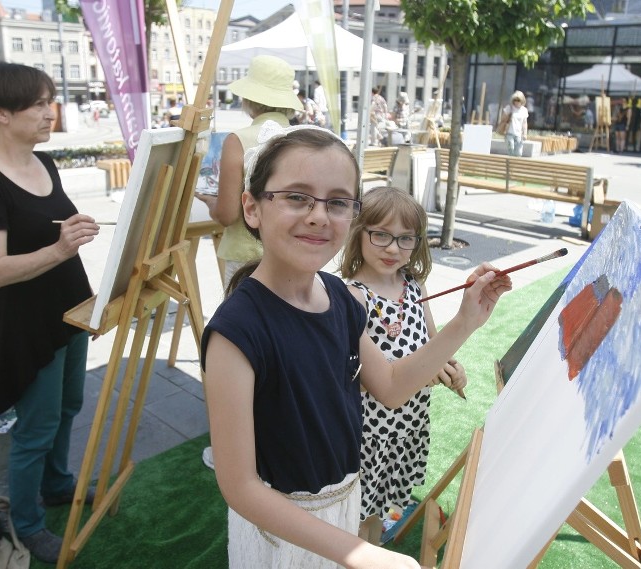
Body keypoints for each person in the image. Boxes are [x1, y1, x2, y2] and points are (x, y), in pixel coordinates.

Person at [201, 123, 511, 568]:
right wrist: (360, 554)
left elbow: (389, 384)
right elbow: (240, 486)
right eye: (296, 197)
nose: (318, 215)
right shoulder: (236, 332)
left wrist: (465, 322)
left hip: (346, 506)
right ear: (252, 207)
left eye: (338, 202)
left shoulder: (338, 298)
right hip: (280, 537)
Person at [0, 62, 100, 564]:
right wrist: (62, 248)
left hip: (69, 311)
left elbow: (49, 228)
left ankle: (58, 484)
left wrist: (74, 232)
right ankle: (29, 522)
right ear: (0, 112)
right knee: (35, 427)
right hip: (25, 323)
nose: (49, 112)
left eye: (49, 100)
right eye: (37, 104)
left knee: (68, 407)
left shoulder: (45, 163)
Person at [338, 187, 468, 545]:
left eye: (405, 238)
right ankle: (358, 551)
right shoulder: (353, 296)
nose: (393, 248)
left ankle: (377, 541)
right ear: (359, 232)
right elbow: (355, 379)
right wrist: (418, 374)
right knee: (356, 514)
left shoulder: (415, 286)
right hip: (367, 433)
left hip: (408, 426)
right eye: (380, 235)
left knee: (388, 502)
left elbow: (434, 346)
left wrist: (450, 370)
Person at [194, 54, 302, 469]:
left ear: (250, 100)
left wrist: (208, 200)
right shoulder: (300, 138)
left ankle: (237, 443)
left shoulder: (238, 139)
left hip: (243, 258)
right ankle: (281, 431)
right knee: (286, 346)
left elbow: (226, 214)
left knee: (243, 352)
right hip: (291, 257)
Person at [498, 90, 529, 156]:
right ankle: (509, 164)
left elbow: (524, 123)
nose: (516, 102)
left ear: (522, 101)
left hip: (518, 134)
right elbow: (503, 119)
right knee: (511, 149)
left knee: (518, 153)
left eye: (518, 100)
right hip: (509, 133)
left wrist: (525, 133)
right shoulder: (509, 108)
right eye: (515, 100)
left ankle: (515, 164)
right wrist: (507, 116)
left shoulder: (524, 110)